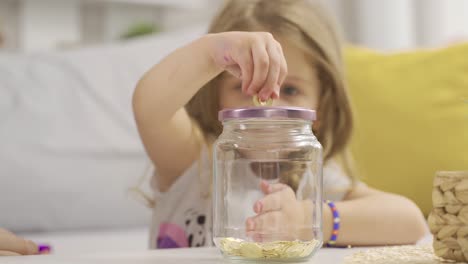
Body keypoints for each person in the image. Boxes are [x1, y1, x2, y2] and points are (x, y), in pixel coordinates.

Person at [132, 0, 428, 249]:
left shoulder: (316, 178)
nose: (267, 105)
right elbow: (150, 108)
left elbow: (410, 221)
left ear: (321, 106)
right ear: (215, 96)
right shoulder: (192, 161)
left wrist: (310, 219)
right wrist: (212, 54)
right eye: (244, 85)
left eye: (289, 90)